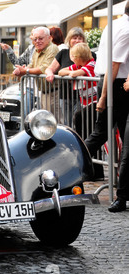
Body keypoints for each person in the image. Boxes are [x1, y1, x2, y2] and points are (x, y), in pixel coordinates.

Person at [91, 1, 129, 212]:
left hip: (111, 82)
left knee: (103, 134)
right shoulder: (123, 29)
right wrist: (104, 97)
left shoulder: (113, 25)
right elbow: (113, 65)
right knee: (105, 134)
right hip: (114, 83)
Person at [45, 27, 95, 125]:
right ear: (69, 39)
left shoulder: (90, 55)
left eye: (79, 38)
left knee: (80, 122)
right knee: (68, 123)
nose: (77, 40)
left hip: (84, 96)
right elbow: (52, 69)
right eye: (74, 38)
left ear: (83, 40)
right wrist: (51, 73)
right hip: (65, 95)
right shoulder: (63, 53)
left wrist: (72, 73)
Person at [14, 27, 59, 115]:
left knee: (54, 122)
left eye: (40, 38)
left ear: (49, 38)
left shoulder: (52, 48)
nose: (37, 41)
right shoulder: (36, 50)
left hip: (53, 92)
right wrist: (21, 70)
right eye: (35, 39)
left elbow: (44, 68)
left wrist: (25, 71)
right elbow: (31, 65)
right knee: (44, 121)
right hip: (42, 91)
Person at [58, 42, 97, 136]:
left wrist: (73, 72)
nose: (71, 58)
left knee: (80, 119)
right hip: (86, 103)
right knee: (82, 122)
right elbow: (61, 72)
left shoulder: (91, 64)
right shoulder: (79, 65)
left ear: (79, 57)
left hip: (95, 102)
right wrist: (72, 72)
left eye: (73, 56)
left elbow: (73, 74)